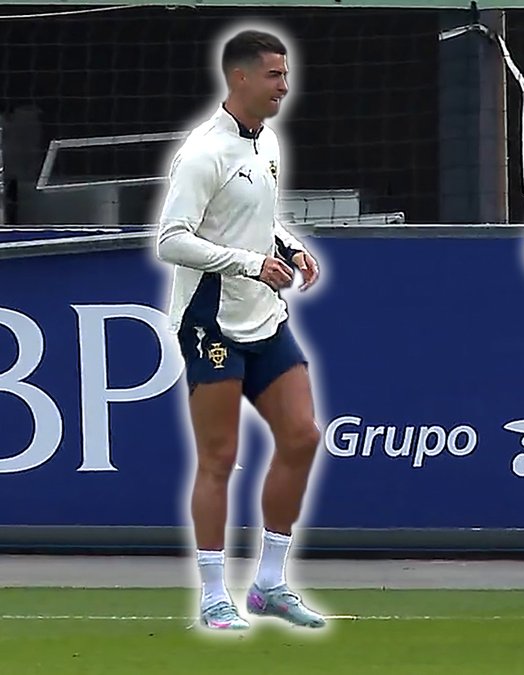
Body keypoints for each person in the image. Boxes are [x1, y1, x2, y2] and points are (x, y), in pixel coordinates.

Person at [156, 29, 326, 631]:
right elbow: (172, 240)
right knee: (220, 458)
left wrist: (290, 245)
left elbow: (256, 216)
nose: (285, 86)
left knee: (302, 437)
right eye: (275, 75)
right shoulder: (203, 153)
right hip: (212, 321)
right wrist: (250, 264)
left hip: (265, 316)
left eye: (286, 74)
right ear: (240, 78)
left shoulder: (267, 142)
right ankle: (212, 594)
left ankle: (270, 584)